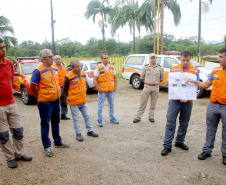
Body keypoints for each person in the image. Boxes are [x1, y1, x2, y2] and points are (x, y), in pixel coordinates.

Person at [186, 48, 226, 165]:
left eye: (221, 57)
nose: (218, 59)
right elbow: (206, 84)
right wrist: (194, 81)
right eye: (219, 56)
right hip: (213, 105)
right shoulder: (215, 70)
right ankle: (207, 151)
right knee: (210, 128)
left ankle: (225, 153)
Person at [29, 49, 69, 157]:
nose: (52, 58)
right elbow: (31, 87)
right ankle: (47, 146)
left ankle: (57, 142)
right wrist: (39, 97)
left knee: (56, 123)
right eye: (50, 56)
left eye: (52, 56)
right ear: (43, 59)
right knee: (45, 125)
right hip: (45, 103)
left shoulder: (54, 69)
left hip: (56, 101)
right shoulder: (38, 71)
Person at [0, 38, 32, 168]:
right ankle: (10, 158)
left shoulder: (8, 63)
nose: (4, 50)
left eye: (4, 47)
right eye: (1, 48)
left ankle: (19, 153)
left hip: (12, 103)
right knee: (3, 134)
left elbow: (12, 81)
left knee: (18, 130)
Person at [161, 50, 200, 156]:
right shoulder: (173, 69)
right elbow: (167, 82)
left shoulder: (195, 71)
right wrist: (168, 82)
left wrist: (188, 96)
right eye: (183, 60)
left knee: (184, 122)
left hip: (188, 101)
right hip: (175, 100)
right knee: (170, 121)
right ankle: (167, 145)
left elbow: (197, 86)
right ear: (180, 58)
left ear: (190, 58)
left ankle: (179, 141)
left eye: (187, 60)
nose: (185, 62)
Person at [63, 59, 98, 142]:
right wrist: (71, 96)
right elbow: (65, 89)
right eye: (77, 67)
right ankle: (78, 133)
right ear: (72, 67)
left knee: (87, 116)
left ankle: (89, 131)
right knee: (76, 119)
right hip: (74, 102)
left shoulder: (83, 73)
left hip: (83, 100)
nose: (79, 68)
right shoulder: (68, 77)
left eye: (80, 66)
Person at [133, 53, 164, 123]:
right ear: (149, 59)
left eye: (154, 58)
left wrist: (155, 83)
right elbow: (142, 77)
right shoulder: (146, 67)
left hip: (155, 88)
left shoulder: (160, 68)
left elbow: (162, 78)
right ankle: (138, 117)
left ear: (156, 58)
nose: (153, 59)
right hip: (147, 87)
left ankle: (151, 116)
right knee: (143, 103)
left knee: (153, 103)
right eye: (151, 58)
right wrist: (147, 83)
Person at [93, 53, 119, 127]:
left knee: (111, 105)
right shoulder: (98, 68)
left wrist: (115, 87)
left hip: (111, 91)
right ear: (101, 59)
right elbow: (94, 80)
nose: (106, 59)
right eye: (104, 58)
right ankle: (100, 120)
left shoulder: (112, 67)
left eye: (107, 58)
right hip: (102, 91)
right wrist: (98, 89)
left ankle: (112, 118)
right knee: (100, 106)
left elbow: (115, 78)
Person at [53, 55, 70, 120]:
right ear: (54, 61)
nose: (58, 60)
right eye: (56, 59)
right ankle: (56, 115)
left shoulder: (65, 68)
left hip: (64, 88)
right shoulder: (53, 68)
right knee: (57, 102)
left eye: (59, 59)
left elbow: (68, 77)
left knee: (64, 102)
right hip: (57, 88)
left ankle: (64, 114)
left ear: (61, 59)